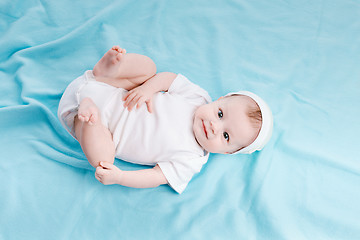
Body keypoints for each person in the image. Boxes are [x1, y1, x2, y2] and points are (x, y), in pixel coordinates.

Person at [58, 46, 273, 194]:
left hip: (93, 122)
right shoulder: (198, 97)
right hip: (112, 88)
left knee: (103, 160)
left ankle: (88, 118)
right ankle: (111, 69)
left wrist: (121, 178)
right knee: (150, 70)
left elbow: (154, 176)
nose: (214, 127)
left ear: (228, 152)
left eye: (226, 136)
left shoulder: (191, 160)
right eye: (220, 113)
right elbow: (169, 78)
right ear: (220, 99)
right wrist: (148, 88)